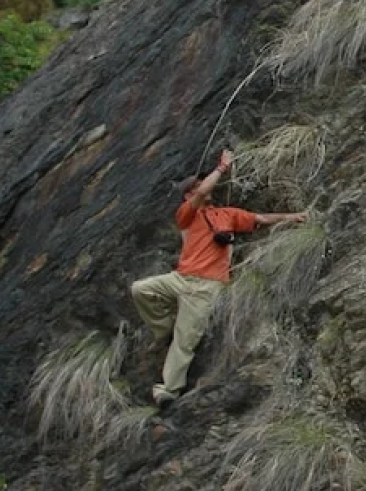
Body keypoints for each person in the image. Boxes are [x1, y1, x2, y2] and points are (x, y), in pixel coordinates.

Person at [130, 149, 306, 407]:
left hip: (208, 286)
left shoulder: (227, 215)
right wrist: (221, 168)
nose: (204, 188)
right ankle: (163, 326)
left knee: (185, 340)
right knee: (140, 289)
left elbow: (260, 219)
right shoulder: (186, 214)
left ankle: (167, 390)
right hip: (181, 277)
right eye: (198, 187)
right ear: (189, 195)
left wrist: (293, 217)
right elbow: (201, 193)